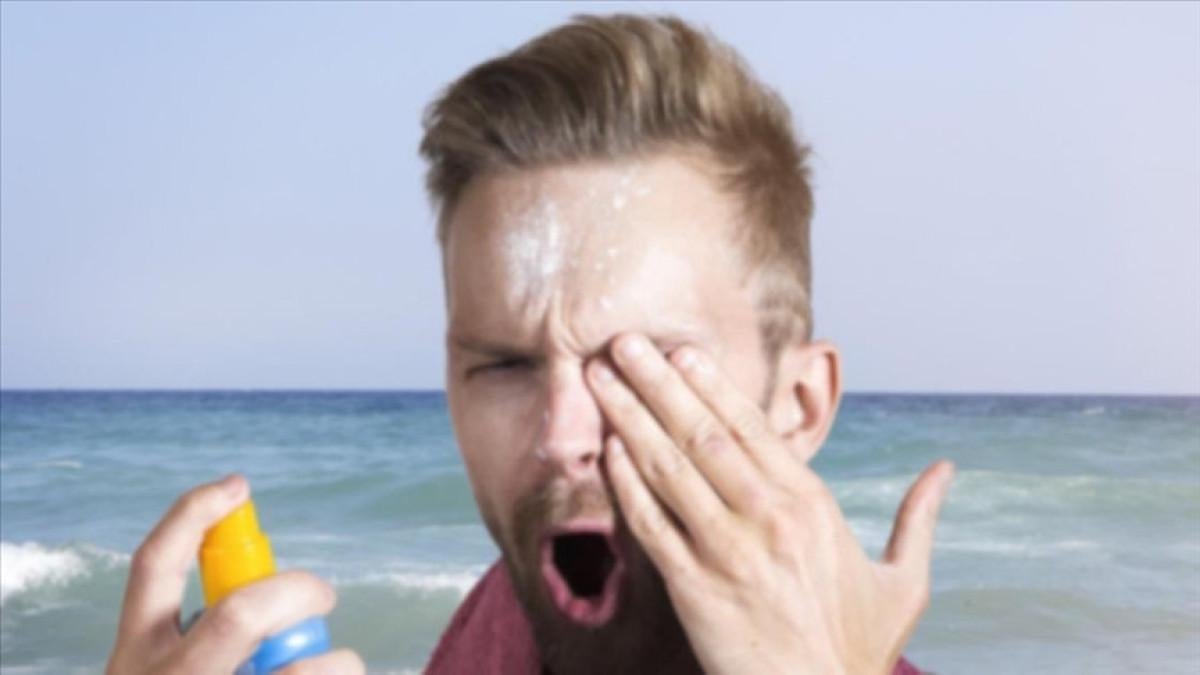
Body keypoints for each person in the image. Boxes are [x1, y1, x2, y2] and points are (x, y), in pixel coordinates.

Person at [106, 13, 953, 675]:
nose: (559, 436)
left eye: (638, 365)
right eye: (505, 364)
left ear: (799, 405)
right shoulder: (493, 633)